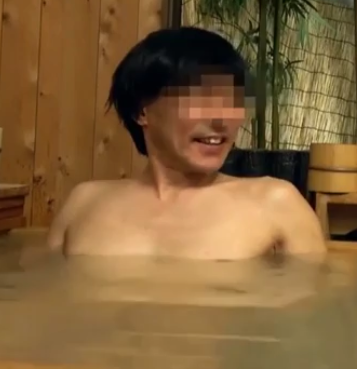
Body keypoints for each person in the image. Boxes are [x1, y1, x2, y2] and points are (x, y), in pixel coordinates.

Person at [47, 27, 326, 260]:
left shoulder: (276, 205)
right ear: (142, 111)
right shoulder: (83, 205)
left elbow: (314, 306)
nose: (221, 119)